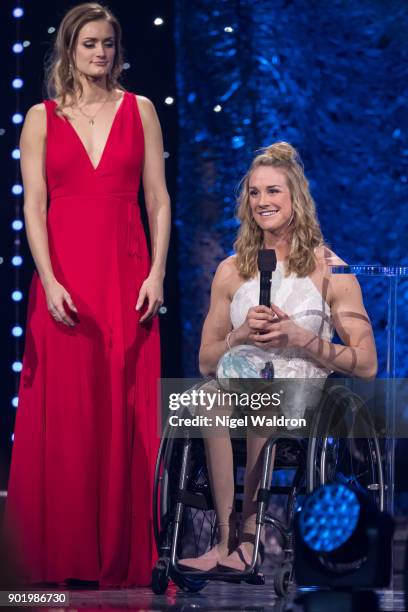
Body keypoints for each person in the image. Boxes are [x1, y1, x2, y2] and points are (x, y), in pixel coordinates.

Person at [4, 2, 170, 588]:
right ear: (68, 50)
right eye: (89, 44)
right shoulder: (40, 117)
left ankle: (122, 555)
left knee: (124, 410)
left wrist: (156, 273)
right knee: (69, 415)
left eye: (107, 44)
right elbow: (32, 207)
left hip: (127, 278)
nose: (100, 55)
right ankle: (65, 554)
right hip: (66, 281)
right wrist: (49, 281)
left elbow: (158, 199)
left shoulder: (140, 110)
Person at [179, 141, 377, 572]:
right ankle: (224, 539)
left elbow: (366, 363)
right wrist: (241, 333)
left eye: (273, 192)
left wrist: (299, 337)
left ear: (296, 199)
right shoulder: (231, 271)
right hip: (237, 381)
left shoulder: (331, 270)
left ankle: (250, 536)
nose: (262, 202)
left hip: (301, 393)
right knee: (207, 397)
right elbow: (206, 360)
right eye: (254, 193)